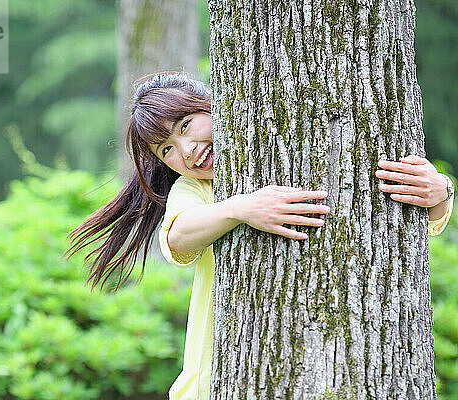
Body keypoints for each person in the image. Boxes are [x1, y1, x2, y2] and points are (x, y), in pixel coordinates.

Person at [67, 72, 454, 399]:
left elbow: (414, 222)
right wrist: (240, 208)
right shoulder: (194, 188)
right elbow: (178, 236)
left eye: (186, 126)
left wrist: (440, 192)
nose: (186, 151)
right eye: (166, 148)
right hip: (217, 381)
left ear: (215, 103)